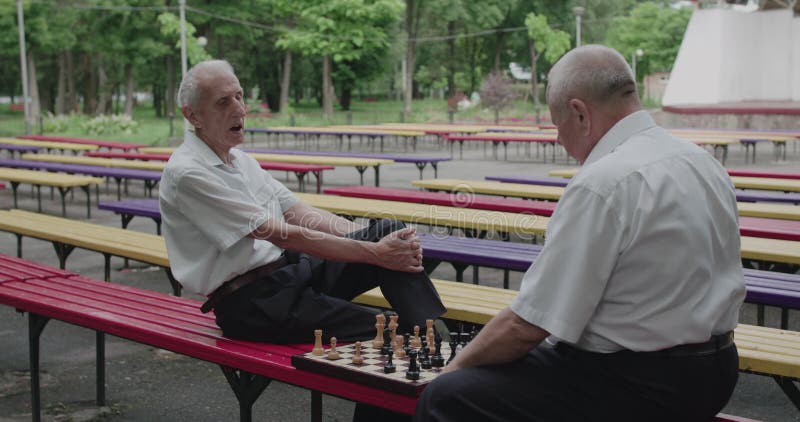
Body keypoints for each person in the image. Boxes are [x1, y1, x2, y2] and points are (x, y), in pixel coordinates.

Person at [415, 45, 745, 421]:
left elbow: (528, 325)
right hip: (716, 370)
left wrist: (452, 369)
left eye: (558, 126)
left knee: (446, 397)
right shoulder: (702, 161)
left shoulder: (604, 181)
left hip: (638, 383)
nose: (559, 141)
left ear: (579, 113)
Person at [160, 59, 446, 348]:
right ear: (193, 115)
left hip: (290, 273)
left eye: (239, 96)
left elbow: (298, 212)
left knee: (390, 232)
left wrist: (375, 242)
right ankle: (430, 347)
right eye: (223, 102)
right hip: (253, 303)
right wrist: (373, 253)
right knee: (385, 332)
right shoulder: (188, 173)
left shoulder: (240, 160)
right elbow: (277, 232)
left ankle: (431, 333)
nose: (239, 109)